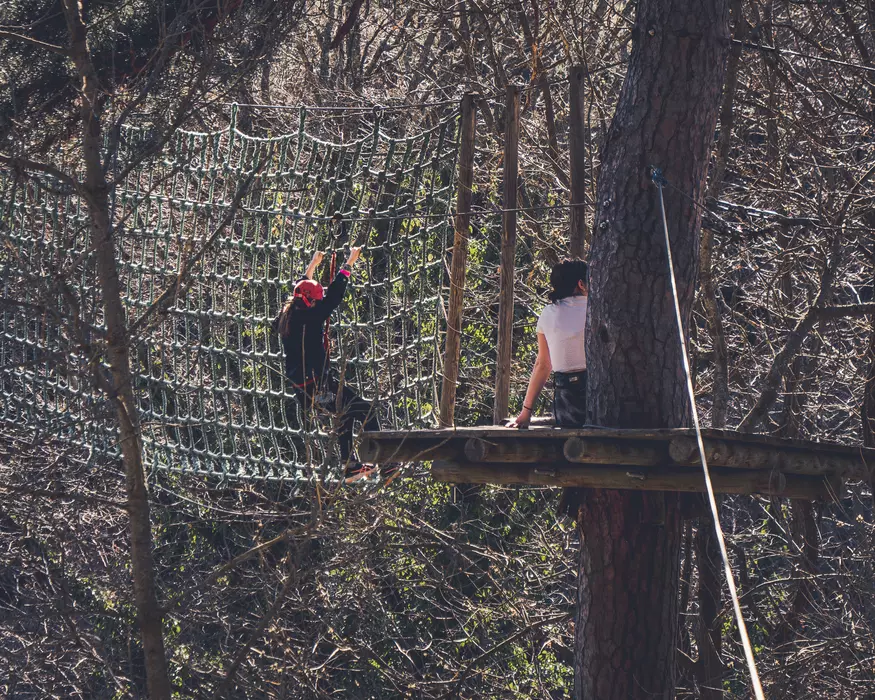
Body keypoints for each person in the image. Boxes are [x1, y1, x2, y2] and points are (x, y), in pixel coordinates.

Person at [273, 246, 380, 478]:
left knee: (345, 412)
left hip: (302, 390)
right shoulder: (311, 317)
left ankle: (348, 465)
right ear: (310, 302)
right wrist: (350, 262)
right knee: (366, 411)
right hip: (318, 385)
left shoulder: (286, 315)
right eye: (314, 301)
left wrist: (312, 266)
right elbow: (334, 296)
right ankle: (386, 461)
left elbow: (300, 290)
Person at [510, 258, 589, 429]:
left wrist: (526, 411)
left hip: (567, 399)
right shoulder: (596, 308)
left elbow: (543, 364)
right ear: (581, 284)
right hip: (601, 391)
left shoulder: (548, 313)